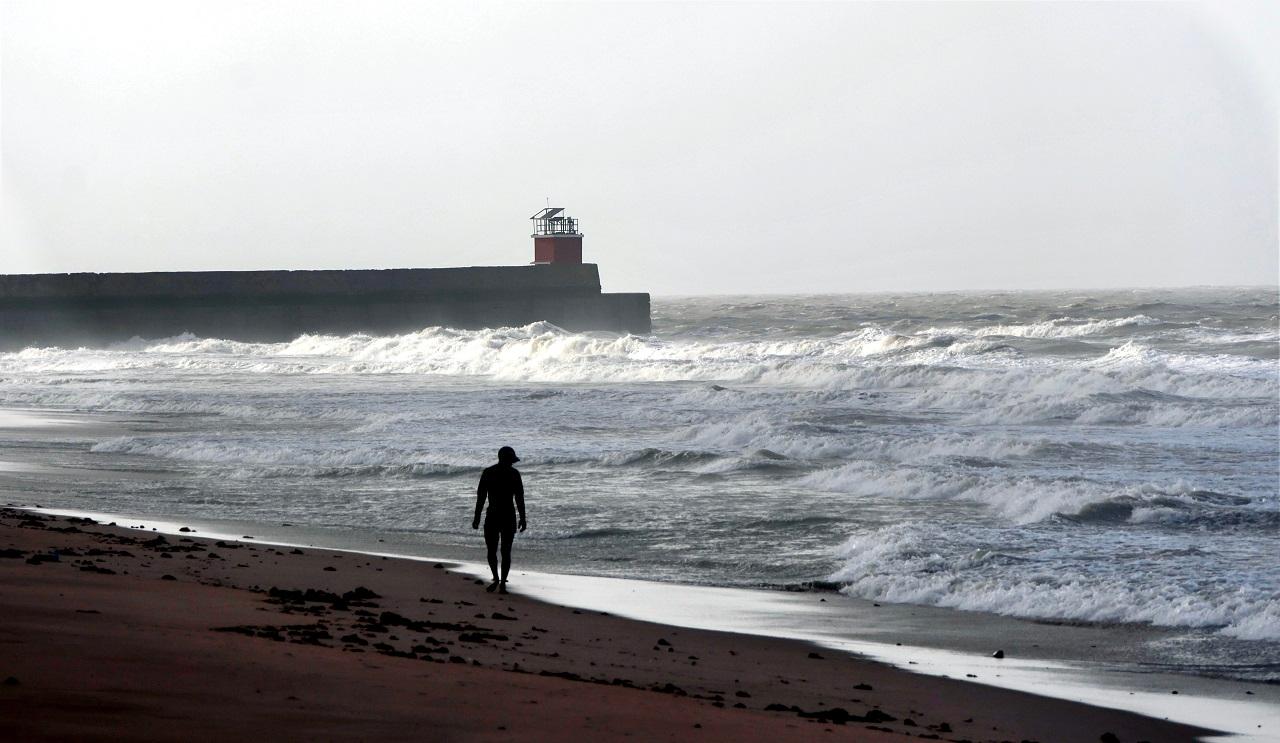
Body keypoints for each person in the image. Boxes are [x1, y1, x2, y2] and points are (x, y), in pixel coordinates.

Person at [472, 446, 526, 593]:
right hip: (508, 516)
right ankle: (501, 583)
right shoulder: (514, 474)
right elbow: (519, 498)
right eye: (511, 460)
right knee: (505, 551)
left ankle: (497, 579)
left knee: (492, 550)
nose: (512, 463)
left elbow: (481, 498)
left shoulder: (488, 473)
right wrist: (523, 517)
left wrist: (477, 517)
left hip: (493, 516)